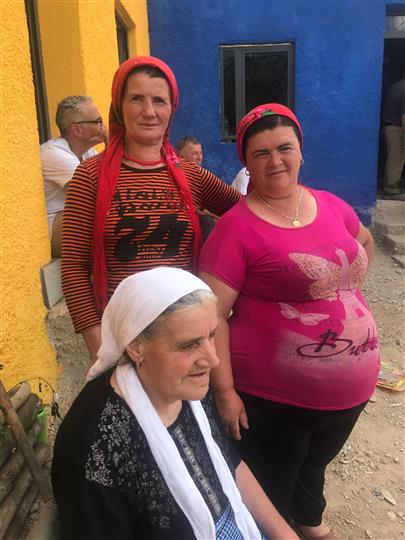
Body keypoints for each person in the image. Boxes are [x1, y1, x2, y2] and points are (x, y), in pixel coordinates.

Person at [199, 104, 380, 540]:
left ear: (301, 151)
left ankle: (310, 522)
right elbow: (211, 316)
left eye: (285, 148)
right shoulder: (236, 228)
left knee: (314, 464)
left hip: (349, 392)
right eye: (261, 153)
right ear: (246, 162)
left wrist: (346, 292)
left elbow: (364, 242)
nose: (275, 160)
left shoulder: (331, 205)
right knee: (270, 483)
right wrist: (224, 392)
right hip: (273, 399)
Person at [51, 267, 298, 540]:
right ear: (135, 347)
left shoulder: (183, 386)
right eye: (189, 345)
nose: (213, 360)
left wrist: (283, 533)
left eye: (211, 336)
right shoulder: (96, 450)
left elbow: (227, 461)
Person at [61, 56, 240, 364]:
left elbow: (246, 216)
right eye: (136, 99)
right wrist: (98, 343)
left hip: (187, 337)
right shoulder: (90, 176)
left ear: (171, 109)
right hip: (122, 339)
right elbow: (74, 267)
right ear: (119, 105)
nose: (148, 111)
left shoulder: (191, 175)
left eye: (159, 100)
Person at [40, 95, 108, 257]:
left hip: (71, 219)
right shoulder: (54, 153)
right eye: (97, 121)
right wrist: (111, 143)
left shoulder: (87, 152)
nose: (103, 126)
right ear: (77, 129)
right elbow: (101, 193)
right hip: (52, 227)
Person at [383, 74, 405, 198]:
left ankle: (390, 185)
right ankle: (391, 188)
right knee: (396, 159)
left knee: (393, 158)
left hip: (389, 127)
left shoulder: (395, 86)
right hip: (397, 129)